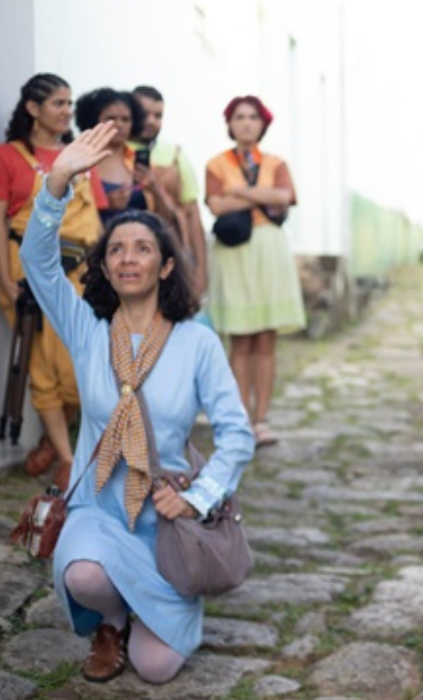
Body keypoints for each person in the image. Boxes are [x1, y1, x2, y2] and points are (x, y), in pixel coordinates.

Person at [19, 121, 254, 684]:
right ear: (104, 267)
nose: (128, 258)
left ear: (165, 265)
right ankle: (111, 617)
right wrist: (57, 181)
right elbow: (38, 263)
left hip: (166, 520)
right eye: (116, 249)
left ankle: (163, 606)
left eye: (143, 248)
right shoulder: (87, 329)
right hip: (99, 508)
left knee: (155, 667)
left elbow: (237, 434)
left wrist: (197, 498)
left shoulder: (196, 341)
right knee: (83, 577)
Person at [0, 73, 106, 488]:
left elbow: (93, 219)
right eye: (58, 103)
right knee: (42, 365)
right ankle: (67, 458)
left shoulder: (78, 154)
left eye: (69, 103)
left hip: (80, 268)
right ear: (33, 108)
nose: (67, 111)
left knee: (79, 364)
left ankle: (51, 438)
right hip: (28, 270)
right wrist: (6, 281)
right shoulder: (9, 156)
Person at [204, 95, 305, 447]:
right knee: (240, 339)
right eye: (239, 117)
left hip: (268, 249)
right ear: (230, 123)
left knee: (266, 339)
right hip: (235, 252)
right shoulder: (216, 164)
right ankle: (241, 418)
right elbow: (216, 204)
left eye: (252, 117)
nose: (246, 123)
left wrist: (241, 191)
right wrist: (262, 195)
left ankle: (261, 418)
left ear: (263, 123)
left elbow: (286, 196)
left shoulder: (276, 162)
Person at [130, 86, 207, 296]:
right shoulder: (113, 152)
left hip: (169, 253)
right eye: (144, 113)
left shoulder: (175, 154)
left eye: (158, 115)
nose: (151, 121)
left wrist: (200, 270)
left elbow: (192, 213)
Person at [74, 89, 171, 226]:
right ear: (94, 120)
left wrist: (156, 190)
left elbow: (165, 220)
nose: (119, 124)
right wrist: (105, 203)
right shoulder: (81, 162)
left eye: (125, 119)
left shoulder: (140, 162)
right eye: (111, 118)